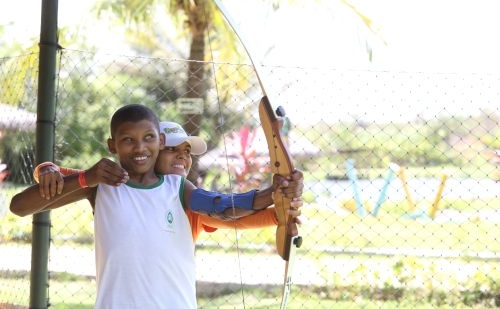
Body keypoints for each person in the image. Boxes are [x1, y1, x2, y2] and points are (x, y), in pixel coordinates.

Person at [10, 104, 304, 308]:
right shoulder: (103, 183)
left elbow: (224, 208)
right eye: (129, 140)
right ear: (113, 145)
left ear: (157, 140)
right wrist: (65, 172)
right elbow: (22, 205)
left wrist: (276, 195)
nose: (140, 148)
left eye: (149, 139)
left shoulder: (178, 189)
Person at [33, 121, 301, 242]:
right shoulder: (114, 182)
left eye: (187, 152)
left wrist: (282, 208)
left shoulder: (187, 197)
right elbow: (60, 174)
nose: (183, 157)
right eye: (173, 150)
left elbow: (231, 213)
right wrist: (46, 169)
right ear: (152, 150)